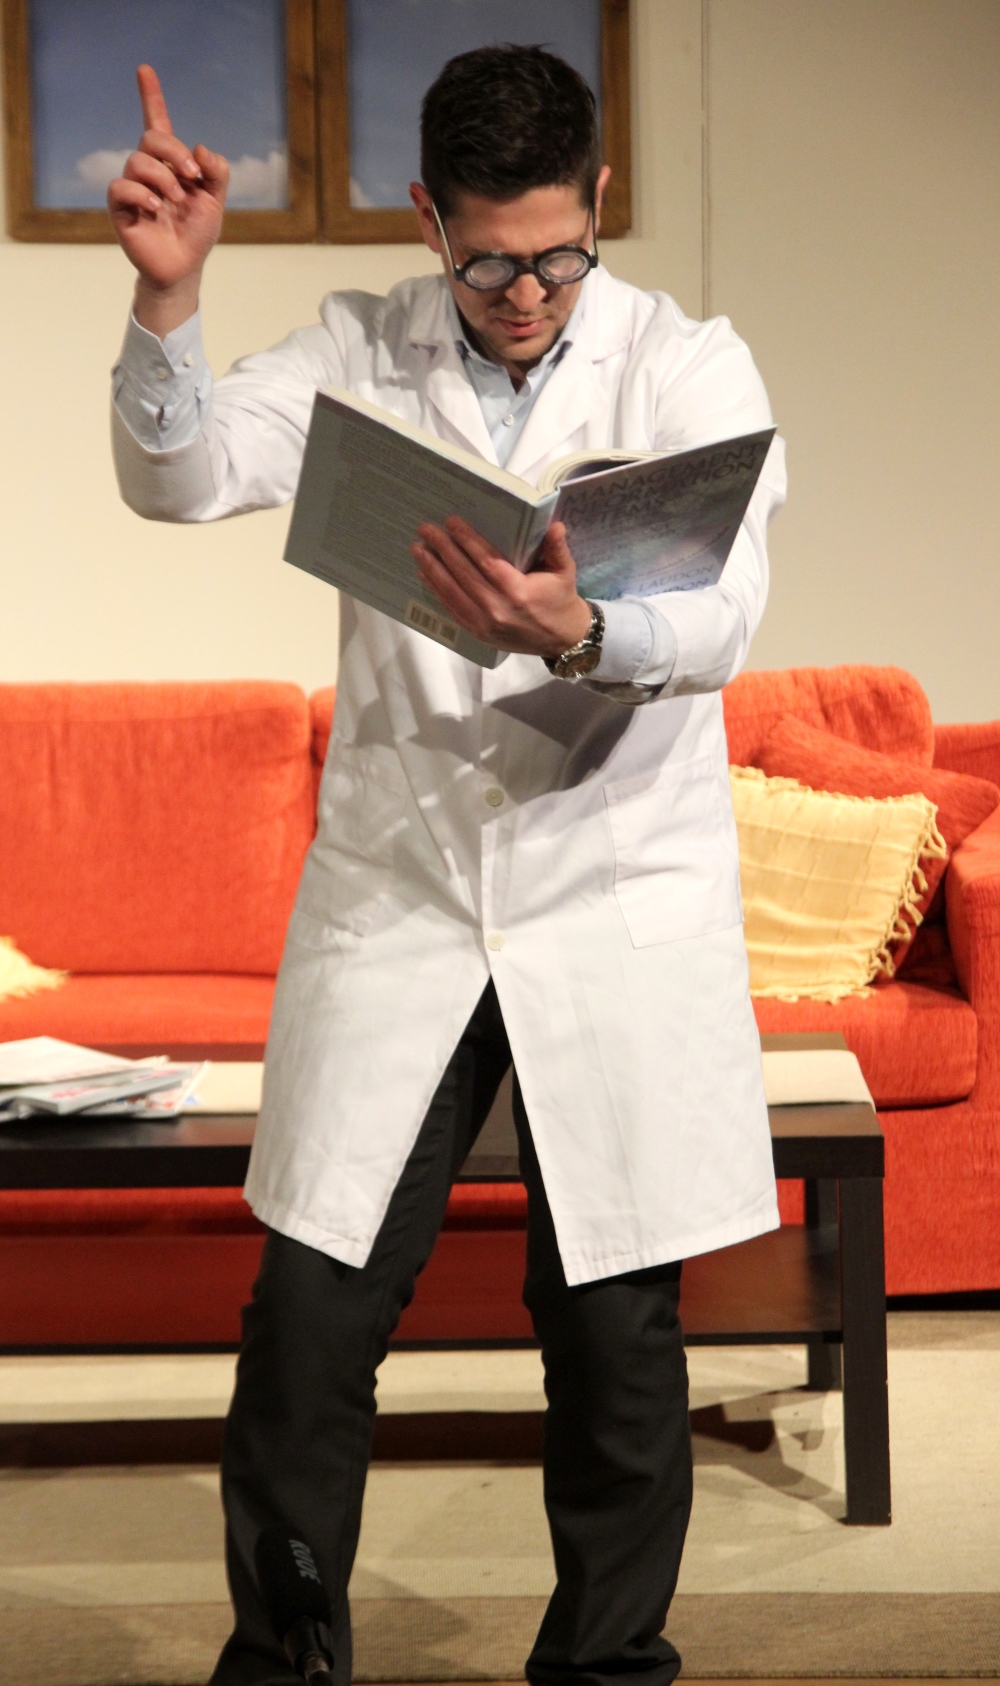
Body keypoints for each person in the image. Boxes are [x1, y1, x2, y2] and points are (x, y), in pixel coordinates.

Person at [109, 45, 786, 1686]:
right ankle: (285, 1659)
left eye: (559, 257)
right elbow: (178, 476)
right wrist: (168, 303)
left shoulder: (684, 365)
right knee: (314, 1304)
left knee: (614, 1323)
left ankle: (606, 1666)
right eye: (488, 264)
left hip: (607, 897)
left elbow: (724, 611)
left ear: (600, 203)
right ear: (428, 220)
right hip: (405, 893)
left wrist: (588, 624)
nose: (528, 296)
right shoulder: (355, 352)